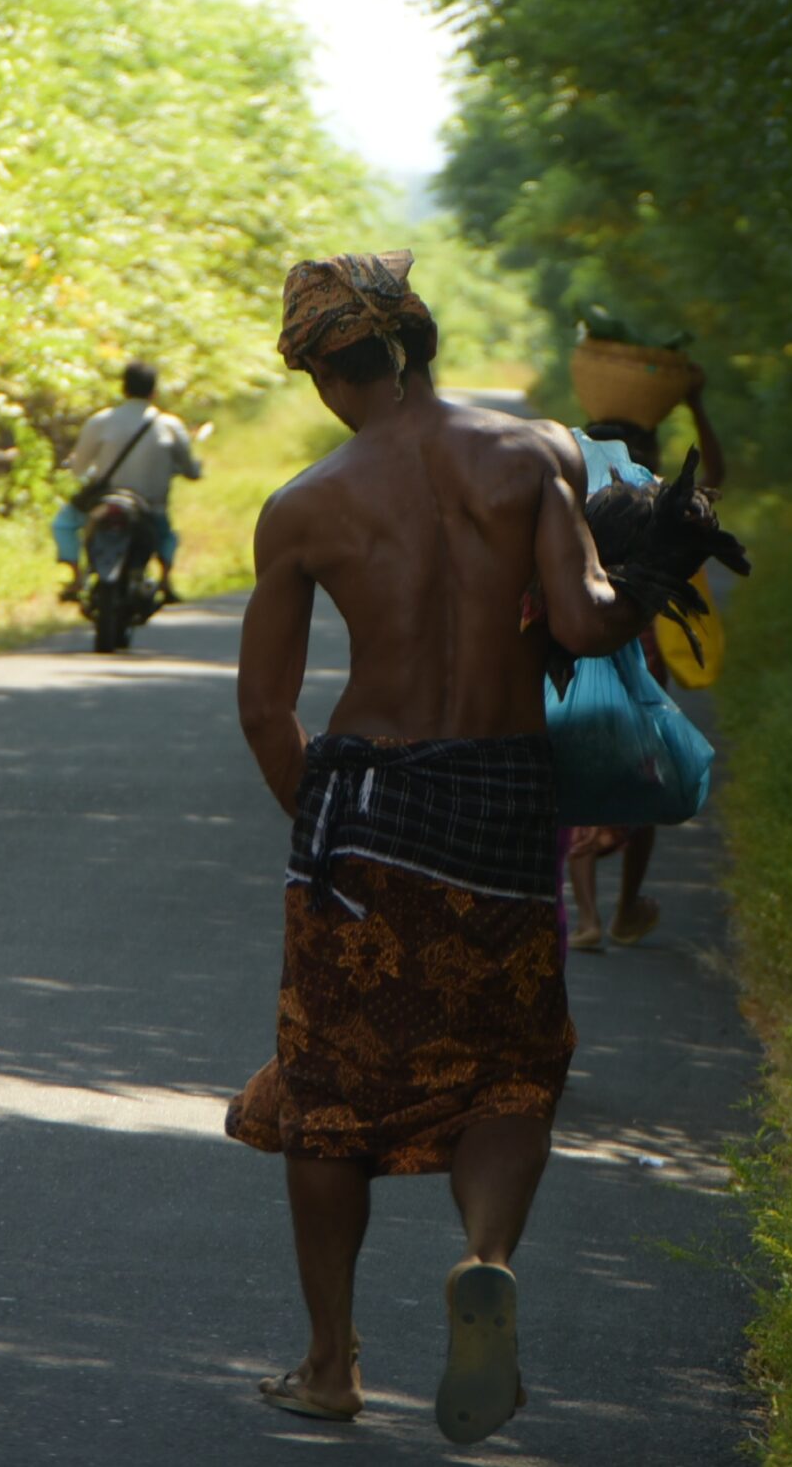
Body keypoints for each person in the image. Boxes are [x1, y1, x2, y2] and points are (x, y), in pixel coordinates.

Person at [226, 249, 653, 1444]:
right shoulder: (537, 452)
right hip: (506, 795)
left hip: (366, 803)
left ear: (320, 368)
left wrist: (322, 832)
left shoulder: (307, 503)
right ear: (414, 340)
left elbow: (266, 711)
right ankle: (487, 1258)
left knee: (332, 1088)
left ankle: (328, 1363)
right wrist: (646, 576)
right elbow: (582, 620)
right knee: (508, 1059)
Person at [565, 374, 727, 953]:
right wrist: (697, 404)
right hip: (637, 662)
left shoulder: (574, 504)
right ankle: (625, 907)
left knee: (580, 776)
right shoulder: (661, 504)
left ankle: (587, 916)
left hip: (573, 660)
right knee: (642, 777)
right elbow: (716, 483)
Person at [51, 359, 202, 603]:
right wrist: (192, 470)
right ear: (154, 391)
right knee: (165, 535)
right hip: (150, 505)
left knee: (64, 524)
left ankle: (77, 575)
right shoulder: (169, 425)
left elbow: (79, 468)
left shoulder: (101, 421)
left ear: (124, 389)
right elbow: (190, 469)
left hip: (103, 502)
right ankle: (165, 580)